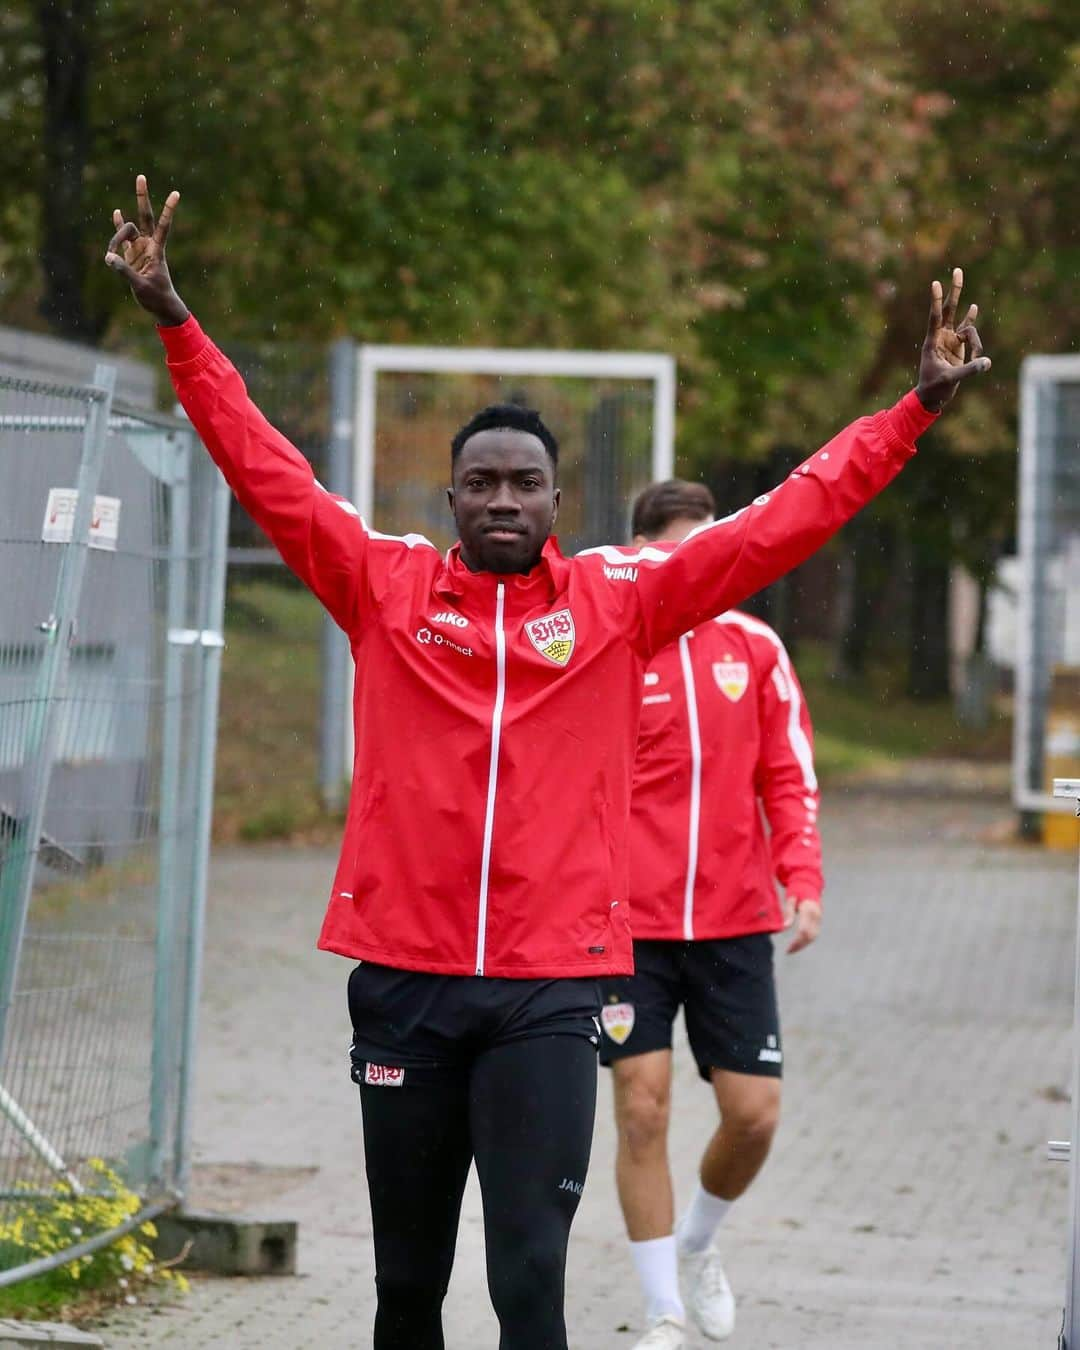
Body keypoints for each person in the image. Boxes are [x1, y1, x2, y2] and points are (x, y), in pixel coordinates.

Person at [104, 174, 990, 1350]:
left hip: (549, 991)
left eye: (526, 483)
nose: (504, 499)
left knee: (531, 1283)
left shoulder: (628, 601)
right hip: (404, 986)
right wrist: (176, 322)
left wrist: (912, 410)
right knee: (404, 1293)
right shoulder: (384, 586)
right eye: (482, 483)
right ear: (453, 498)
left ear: (557, 499)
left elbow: (788, 517)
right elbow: (263, 463)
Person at [597, 478, 824, 1348]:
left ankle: (697, 1244)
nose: (697, 574)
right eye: (679, 556)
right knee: (641, 1106)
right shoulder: (614, 644)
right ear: (644, 557)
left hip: (732, 920)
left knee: (755, 1111)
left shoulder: (755, 649)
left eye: (710, 555)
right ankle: (661, 1312)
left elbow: (787, 775)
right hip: (631, 926)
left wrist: (802, 878)